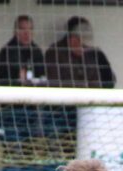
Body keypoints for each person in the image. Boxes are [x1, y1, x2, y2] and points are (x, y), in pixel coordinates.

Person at [0, 15, 50, 171]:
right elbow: (3, 83)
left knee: (33, 158)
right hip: (12, 115)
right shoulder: (7, 52)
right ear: (16, 31)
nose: (26, 33)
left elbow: (43, 80)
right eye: (22, 29)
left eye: (29, 29)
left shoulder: (36, 52)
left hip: (33, 115)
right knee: (12, 158)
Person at [43, 17, 115, 161]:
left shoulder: (92, 54)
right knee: (62, 155)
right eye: (81, 43)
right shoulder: (54, 53)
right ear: (72, 40)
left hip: (87, 115)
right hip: (61, 114)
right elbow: (56, 85)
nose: (85, 48)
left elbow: (103, 81)